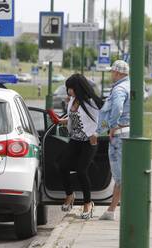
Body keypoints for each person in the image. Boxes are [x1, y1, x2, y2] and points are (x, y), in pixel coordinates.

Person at [58, 74, 103, 219]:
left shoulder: (92, 103)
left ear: (77, 87)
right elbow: (74, 119)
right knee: (62, 166)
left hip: (89, 142)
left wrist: (98, 132)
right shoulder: (72, 100)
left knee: (81, 170)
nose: (68, 91)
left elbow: (106, 119)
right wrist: (62, 120)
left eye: (70, 88)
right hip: (75, 140)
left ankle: (87, 203)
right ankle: (70, 195)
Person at [97, 60, 130, 221]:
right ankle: (111, 210)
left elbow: (117, 107)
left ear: (118, 73)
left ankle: (116, 210)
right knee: (123, 174)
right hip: (128, 132)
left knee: (119, 175)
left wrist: (112, 126)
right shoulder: (130, 85)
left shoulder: (120, 89)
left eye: (112, 72)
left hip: (119, 135)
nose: (111, 74)